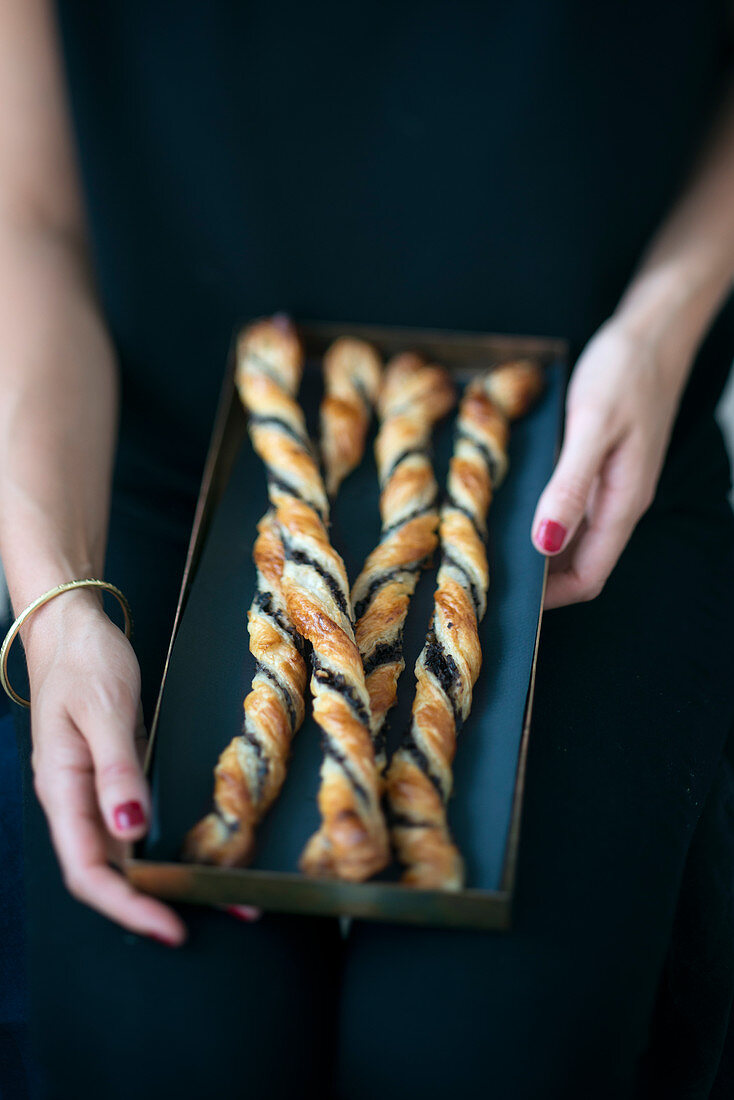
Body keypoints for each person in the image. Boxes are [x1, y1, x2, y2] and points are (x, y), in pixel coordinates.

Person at [1, 1, 733, 1097]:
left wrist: (663, 320)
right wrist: (57, 607)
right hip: (139, 455)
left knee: (480, 1053)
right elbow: (26, 213)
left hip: (586, 455)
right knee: (168, 1051)